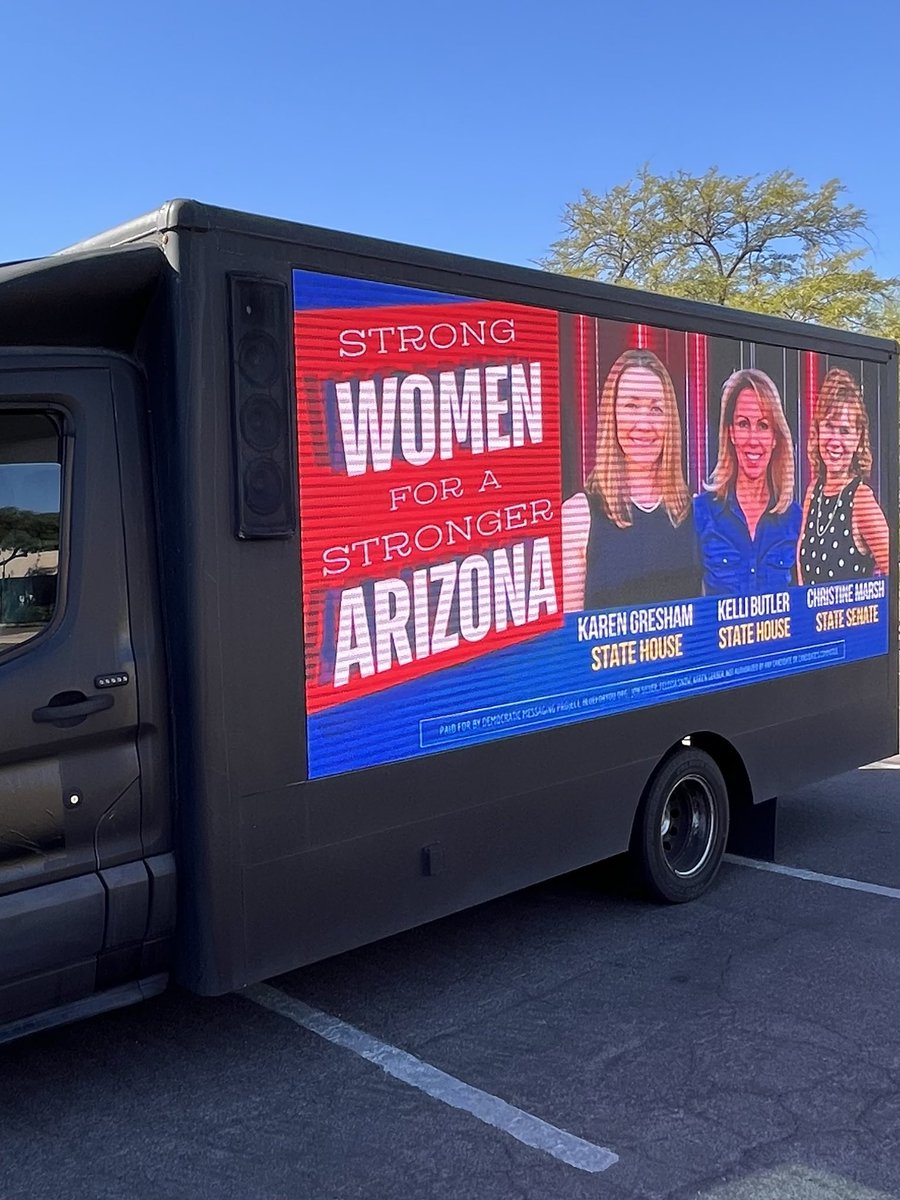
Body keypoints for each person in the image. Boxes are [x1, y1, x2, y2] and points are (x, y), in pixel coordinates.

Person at [561, 347, 697, 611]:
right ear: (611, 416)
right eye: (631, 406)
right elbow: (569, 644)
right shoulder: (577, 516)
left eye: (656, 409)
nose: (644, 423)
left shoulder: (695, 512)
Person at [694, 368, 800, 595]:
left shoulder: (795, 519)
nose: (753, 440)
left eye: (763, 426)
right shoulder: (701, 513)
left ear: (775, 438)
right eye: (743, 424)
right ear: (731, 433)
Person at [797, 368, 889, 583]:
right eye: (829, 426)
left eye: (845, 431)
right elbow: (802, 569)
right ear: (817, 430)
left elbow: (893, 573)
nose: (835, 440)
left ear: (858, 439)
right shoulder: (813, 491)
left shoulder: (862, 499)